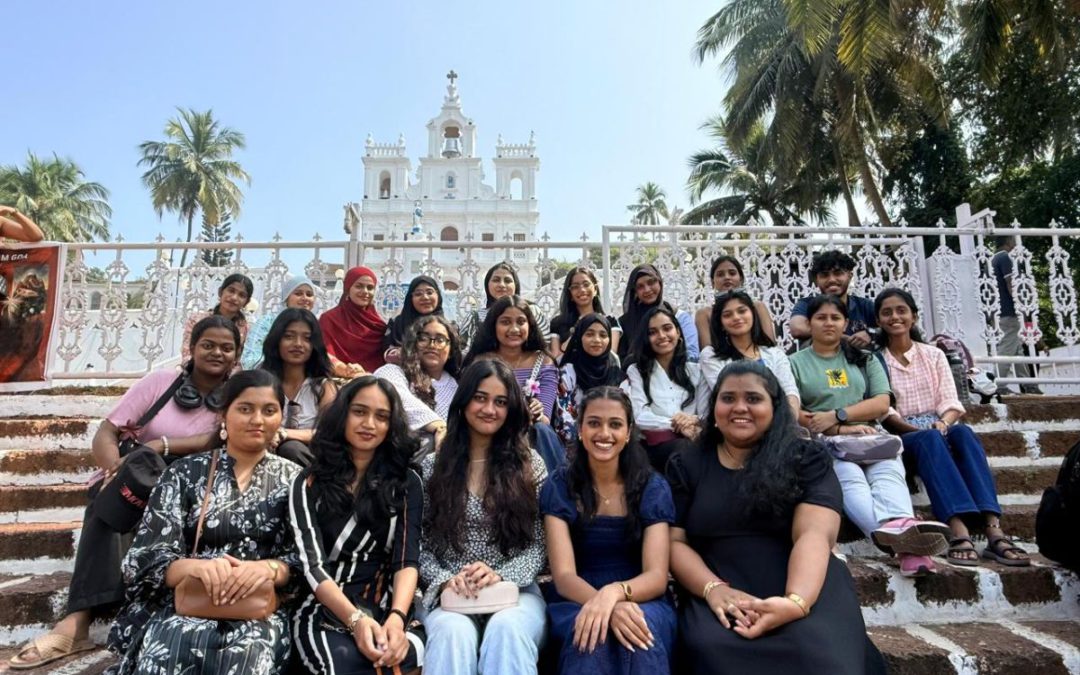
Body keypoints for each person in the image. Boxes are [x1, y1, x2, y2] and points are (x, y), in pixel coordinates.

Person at [8, 316, 236, 671]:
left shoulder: (236, 395)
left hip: (192, 483)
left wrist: (161, 444)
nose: (216, 353)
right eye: (208, 344)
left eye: (226, 347)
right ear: (192, 348)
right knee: (108, 498)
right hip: (140, 474)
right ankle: (77, 620)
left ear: (237, 356)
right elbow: (107, 430)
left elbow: (215, 442)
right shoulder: (161, 382)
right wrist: (113, 467)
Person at [667, 361, 885, 674]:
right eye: (728, 398)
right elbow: (674, 541)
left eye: (753, 399)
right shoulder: (686, 463)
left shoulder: (805, 457)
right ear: (713, 407)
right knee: (711, 650)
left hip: (804, 581)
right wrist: (713, 589)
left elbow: (814, 534)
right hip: (721, 584)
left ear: (775, 407)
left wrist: (796, 602)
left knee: (817, 656)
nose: (739, 407)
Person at [105, 369, 302, 675]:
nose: (257, 420)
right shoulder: (184, 473)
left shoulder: (296, 481)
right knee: (168, 651)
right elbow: (145, 556)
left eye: (269, 410)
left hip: (260, 610)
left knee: (249, 659)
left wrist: (267, 569)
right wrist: (197, 567)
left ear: (281, 417)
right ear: (224, 415)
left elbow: (308, 560)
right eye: (245, 409)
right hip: (188, 601)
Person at [789, 294, 949, 577]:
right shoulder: (795, 362)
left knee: (889, 477)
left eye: (835, 318)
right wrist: (839, 428)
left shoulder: (864, 358)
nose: (829, 323)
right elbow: (795, 411)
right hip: (827, 441)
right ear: (810, 323)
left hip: (872, 436)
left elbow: (881, 402)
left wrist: (839, 415)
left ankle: (900, 533)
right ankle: (907, 547)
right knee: (851, 481)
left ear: (846, 323)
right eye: (821, 317)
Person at [875, 288, 1029, 567]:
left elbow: (950, 400)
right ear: (878, 320)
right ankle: (958, 529)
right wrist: (919, 430)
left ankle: (994, 528)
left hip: (939, 426)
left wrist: (943, 422)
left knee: (963, 433)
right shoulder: (876, 360)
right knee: (929, 440)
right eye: (887, 312)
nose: (895, 317)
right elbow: (885, 410)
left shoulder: (933, 355)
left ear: (913, 317)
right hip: (902, 435)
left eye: (901, 311)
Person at [419, 359, 549, 675]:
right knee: (453, 633)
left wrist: (501, 576)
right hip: (449, 592)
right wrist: (446, 579)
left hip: (516, 592)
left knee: (507, 630)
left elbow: (541, 544)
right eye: (480, 397)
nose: (489, 409)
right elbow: (418, 545)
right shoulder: (433, 467)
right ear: (463, 402)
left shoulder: (530, 466)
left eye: (500, 402)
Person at [290, 376, 426, 673]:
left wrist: (397, 618)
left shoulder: (406, 483)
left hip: (388, 603)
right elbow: (312, 566)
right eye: (360, 412)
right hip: (325, 605)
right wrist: (355, 620)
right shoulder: (309, 481)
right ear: (342, 414)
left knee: (403, 656)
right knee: (345, 663)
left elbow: (406, 559)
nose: (369, 424)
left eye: (382, 417)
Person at [543, 386, 677, 675]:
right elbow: (564, 577)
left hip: (640, 595)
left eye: (615, 424)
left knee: (639, 634)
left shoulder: (651, 487)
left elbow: (655, 576)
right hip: (577, 595)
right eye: (594, 423)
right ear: (579, 429)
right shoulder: (560, 485)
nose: (604, 433)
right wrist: (605, 605)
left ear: (628, 432)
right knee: (592, 636)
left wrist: (614, 596)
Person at [464, 295, 565, 470]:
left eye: (521, 322)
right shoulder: (479, 362)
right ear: (493, 325)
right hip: (488, 430)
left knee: (541, 430)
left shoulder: (544, 362)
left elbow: (545, 418)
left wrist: (536, 412)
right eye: (505, 322)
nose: (514, 328)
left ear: (530, 326)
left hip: (531, 436)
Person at [624, 307, 709, 473]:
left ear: (678, 332)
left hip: (694, 439)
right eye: (653, 332)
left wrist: (691, 421)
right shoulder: (637, 371)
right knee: (683, 451)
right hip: (655, 447)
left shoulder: (697, 370)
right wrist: (676, 423)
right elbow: (640, 417)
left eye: (667, 328)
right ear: (646, 338)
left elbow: (705, 413)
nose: (662, 336)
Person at [699, 290, 799, 418]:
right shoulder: (710, 356)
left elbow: (790, 391)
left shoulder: (775, 354)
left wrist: (787, 423)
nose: (736, 317)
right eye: (727, 315)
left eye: (742, 311)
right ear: (721, 324)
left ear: (753, 315)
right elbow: (730, 395)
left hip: (779, 423)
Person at [258, 308, 337, 466]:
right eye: (289, 336)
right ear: (277, 340)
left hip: (310, 461)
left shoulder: (323, 387)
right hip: (261, 454)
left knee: (290, 448)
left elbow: (330, 434)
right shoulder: (260, 382)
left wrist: (285, 434)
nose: (298, 344)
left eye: (307, 338)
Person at [374, 314, 462, 449]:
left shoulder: (458, 387)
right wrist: (438, 426)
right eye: (423, 338)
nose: (432, 345)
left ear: (450, 350)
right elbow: (397, 396)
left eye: (440, 339)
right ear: (413, 344)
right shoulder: (394, 372)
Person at [787, 250, 876, 349]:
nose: (832, 280)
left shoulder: (864, 305)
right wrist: (842, 338)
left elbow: (887, 327)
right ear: (816, 280)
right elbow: (797, 329)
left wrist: (870, 333)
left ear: (850, 276)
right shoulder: (807, 304)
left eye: (838, 273)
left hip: (860, 362)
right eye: (825, 275)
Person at [457, 262, 550, 351]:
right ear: (487, 285)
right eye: (496, 280)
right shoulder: (474, 318)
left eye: (508, 280)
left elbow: (545, 345)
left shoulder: (532, 311)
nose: (502, 285)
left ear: (515, 285)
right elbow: (463, 352)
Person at [617, 264, 699, 365]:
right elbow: (620, 360)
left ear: (660, 282)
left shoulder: (679, 316)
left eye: (651, 282)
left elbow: (692, 355)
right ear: (635, 292)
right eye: (640, 286)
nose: (647, 289)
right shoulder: (625, 323)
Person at [991, 236, 1042, 394]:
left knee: (1017, 349)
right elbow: (1011, 283)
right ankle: (997, 385)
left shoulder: (991, 260)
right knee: (1007, 347)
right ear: (1009, 241)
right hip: (1009, 311)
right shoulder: (1005, 257)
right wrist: (1022, 306)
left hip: (998, 310)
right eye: (1014, 241)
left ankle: (1029, 385)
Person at [693, 255, 775, 349]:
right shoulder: (704, 314)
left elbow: (770, 345)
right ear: (712, 282)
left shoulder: (757, 307)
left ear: (741, 279)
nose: (727, 277)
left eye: (732, 273)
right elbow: (707, 353)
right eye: (720, 275)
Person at [320, 266, 388, 377]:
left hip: (373, 382)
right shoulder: (329, 319)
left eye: (370, 287)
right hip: (338, 381)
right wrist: (345, 370)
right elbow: (322, 353)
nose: (365, 292)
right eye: (359, 286)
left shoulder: (378, 325)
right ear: (348, 288)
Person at [241, 276, 318, 370]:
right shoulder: (267, 321)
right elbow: (249, 359)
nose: (305, 298)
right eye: (298, 293)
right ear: (286, 298)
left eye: (309, 294)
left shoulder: (316, 326)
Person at [559, 313, 625, 420]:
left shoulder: (615, 371)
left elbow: (625, 413)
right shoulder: (568, 372)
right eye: (589, 334)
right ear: (580, 337)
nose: (597, 340)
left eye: (603, 335)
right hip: (577, 434)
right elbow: (563, 416)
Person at [548, 267, 622, 359]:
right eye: (575, 287)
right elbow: (556, 356)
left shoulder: (610, 322)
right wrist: (579, 326)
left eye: (586, 284)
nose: (582, 290)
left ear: (595, 290)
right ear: (569, 294)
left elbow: (610, 355)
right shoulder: (557, 323)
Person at [181, 273, 253, 361]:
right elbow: (187, 353)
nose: (234, 297)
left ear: (247, 302)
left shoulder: (247, 330)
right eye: (231, 291)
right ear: (220, 292)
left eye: (241, 295)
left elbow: (243, 362)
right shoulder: (197, 320)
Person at [383, 274, 445, 364]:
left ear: (438, 295)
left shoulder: (446, 327)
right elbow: (387, 351)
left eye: (429, 292)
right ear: (410, 299)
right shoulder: (397, 324)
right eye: (418, 294)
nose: (425, 297)